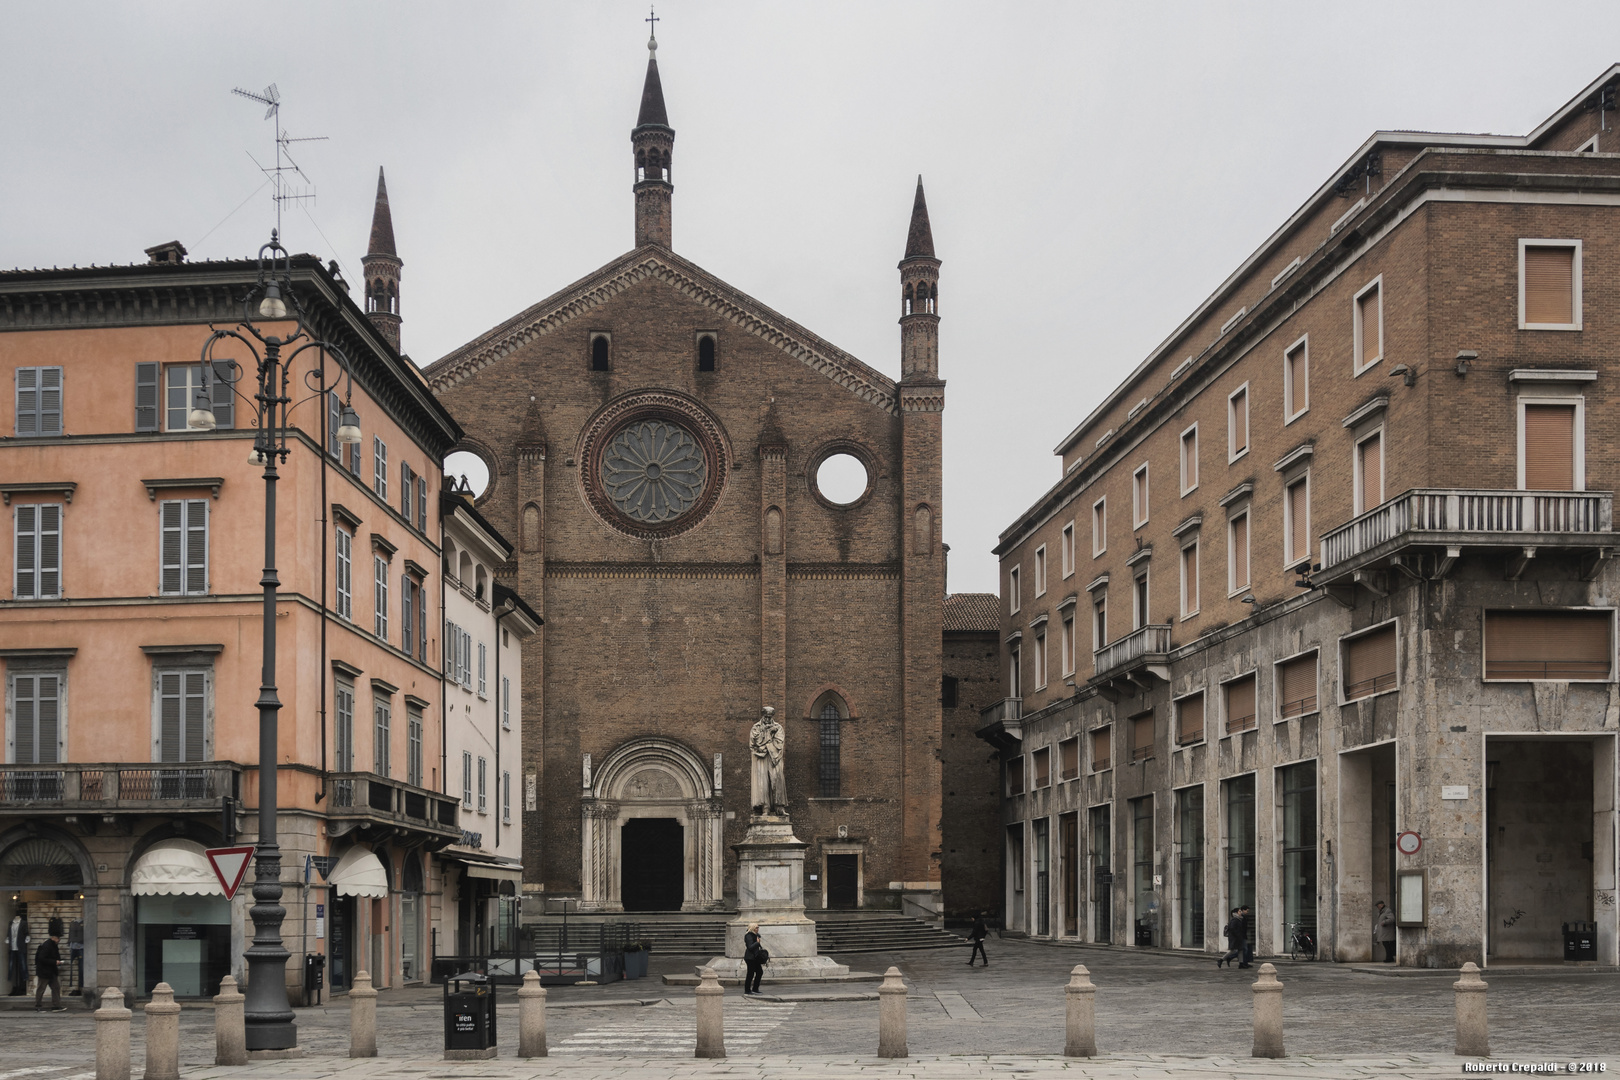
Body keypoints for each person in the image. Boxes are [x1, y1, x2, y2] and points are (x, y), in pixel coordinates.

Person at [34, 926, 63, 1012]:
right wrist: (54, 962)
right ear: (54, 938)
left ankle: (56, 1006)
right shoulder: (47, 945)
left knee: (56, 987)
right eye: (58, 938)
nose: (59, 940)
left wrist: (58, 962)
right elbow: (42, 958)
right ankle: (38, 1006)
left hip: (51, 971)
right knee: (41, 988)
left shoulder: (53, 945)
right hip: (44, 971)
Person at [743, 922, 765, 995]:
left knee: (759, 972)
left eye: (758, 927)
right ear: (752, 928)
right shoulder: (748, 935)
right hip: (750, 957)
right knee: (750, 974)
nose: (758, 929)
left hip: (755, 957)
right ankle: (747, 990)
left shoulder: (756, 935)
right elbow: (750, 947)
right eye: (756, 927)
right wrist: (757, 943)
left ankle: (755, 989)